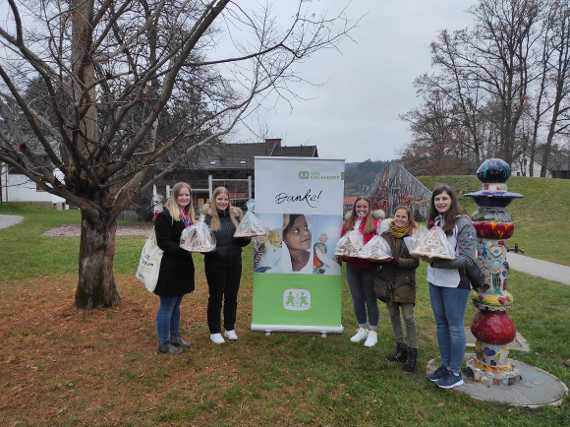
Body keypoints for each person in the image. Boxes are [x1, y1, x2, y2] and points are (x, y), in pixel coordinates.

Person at [425, 184, 477, 389]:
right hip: (435, 279)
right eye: (437, 199)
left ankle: (455, 372)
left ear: (452, 200)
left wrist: (440, 262)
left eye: (444, 199)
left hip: (455, 281)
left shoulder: (463, 223)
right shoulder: (435, 222)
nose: (440, 202)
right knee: (440, 324)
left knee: (455, 326)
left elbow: (467, 258)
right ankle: (445, 366)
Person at [375, 206, 419, 371]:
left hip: (405, 282)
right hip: (389, 281)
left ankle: (412, 353)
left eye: (403, 217)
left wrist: (397, 261)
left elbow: (415, 262)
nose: (400, 219)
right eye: (397, 216)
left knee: (408, 317)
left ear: (408, 219)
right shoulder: (385, 236)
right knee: (393, 315)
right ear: (393, 217)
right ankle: (400, 349)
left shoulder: (412, 237)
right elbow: (377, 252)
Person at [204, 187, 250, 344]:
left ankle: (230, 328)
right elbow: (202, 245)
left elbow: (243, 241)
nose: (223, 202)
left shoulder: (236, 217)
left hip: (234, 262)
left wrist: (247, 237)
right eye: (219, 199)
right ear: (214, 200)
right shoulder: (207, 219)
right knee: (216, 297)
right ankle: (215, 331)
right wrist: (214, 252)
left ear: (229, 201)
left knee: (232, 296)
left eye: (225, 199)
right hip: (215, 264)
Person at [154, 182, 196, 354]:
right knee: (167, 305)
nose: (184, 198)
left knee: (176, 304)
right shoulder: (165, 215)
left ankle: (175, 337)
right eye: (181, 195)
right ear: (174, 196)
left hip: (184, 266)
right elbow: (163, 242)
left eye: (187, 195)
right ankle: (164, 343)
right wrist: (184, 250)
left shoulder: (187, 216)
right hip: (170, 267)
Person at [340, 197, 383, 348]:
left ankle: (373, 331)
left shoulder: (376, 223)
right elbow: (342, 242)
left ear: (369, 208)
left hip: (369, 266)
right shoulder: (349, 223)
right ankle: (362, 328)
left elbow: (381, 244)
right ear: (354, 208)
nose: (361, 209)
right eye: (359, 207)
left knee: (370, 298)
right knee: (357, 298)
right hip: (352, 265)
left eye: (364, 207)